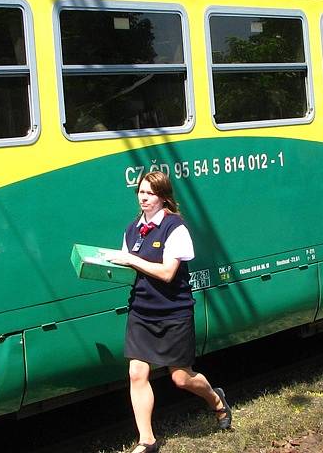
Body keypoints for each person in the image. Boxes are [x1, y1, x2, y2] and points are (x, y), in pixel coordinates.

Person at [106, 171, 232, 453]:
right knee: (137, 373)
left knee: (180, 377)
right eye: (141, 192)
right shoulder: (132, 230)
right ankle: (147, 441)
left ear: (163, 197)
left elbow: (166, 273)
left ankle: (216, 399)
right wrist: (104, 266)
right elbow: (130, 270)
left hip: (173, 312)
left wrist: (130, 259)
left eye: (150, 193)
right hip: (141, 310)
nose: (144, 198)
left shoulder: (176, 228)